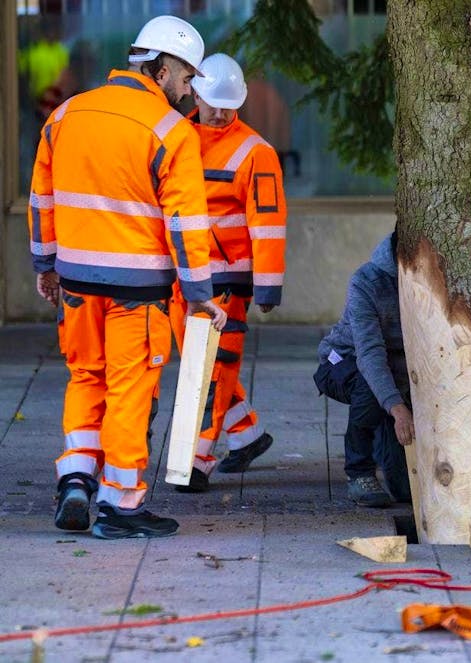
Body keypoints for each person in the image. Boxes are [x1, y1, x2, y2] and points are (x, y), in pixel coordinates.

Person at [29, 15, 226, 540]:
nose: (189, 93)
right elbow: (186, 223)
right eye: (186, 81)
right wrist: (201, 296)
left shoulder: (67, 113)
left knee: (85, 377)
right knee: (130, 391)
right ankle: (121, 505)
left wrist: (45, 266)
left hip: (74, 281)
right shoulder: (171, 131)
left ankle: (75, 477)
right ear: (162, 70)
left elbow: (41, 199)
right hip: (136, 291)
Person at [168, 53, 287, 492]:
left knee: (211, 371)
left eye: (228, 103)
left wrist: (268, 284)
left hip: (228, 280)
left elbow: (268, 224)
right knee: (201, 366)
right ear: (194, 92)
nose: (219, 111)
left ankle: (194, 460)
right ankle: (248, 434)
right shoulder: (177, 137)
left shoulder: (256, 152)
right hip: (184, 276)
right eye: (211, 100)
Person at [313, 233, 413, 508]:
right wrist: (397, 407)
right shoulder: (366, 282)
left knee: (405, 491)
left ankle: (384, 429)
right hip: (343, 359)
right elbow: (369, 354)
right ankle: (359, 472)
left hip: (398, 372)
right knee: (370, 386)